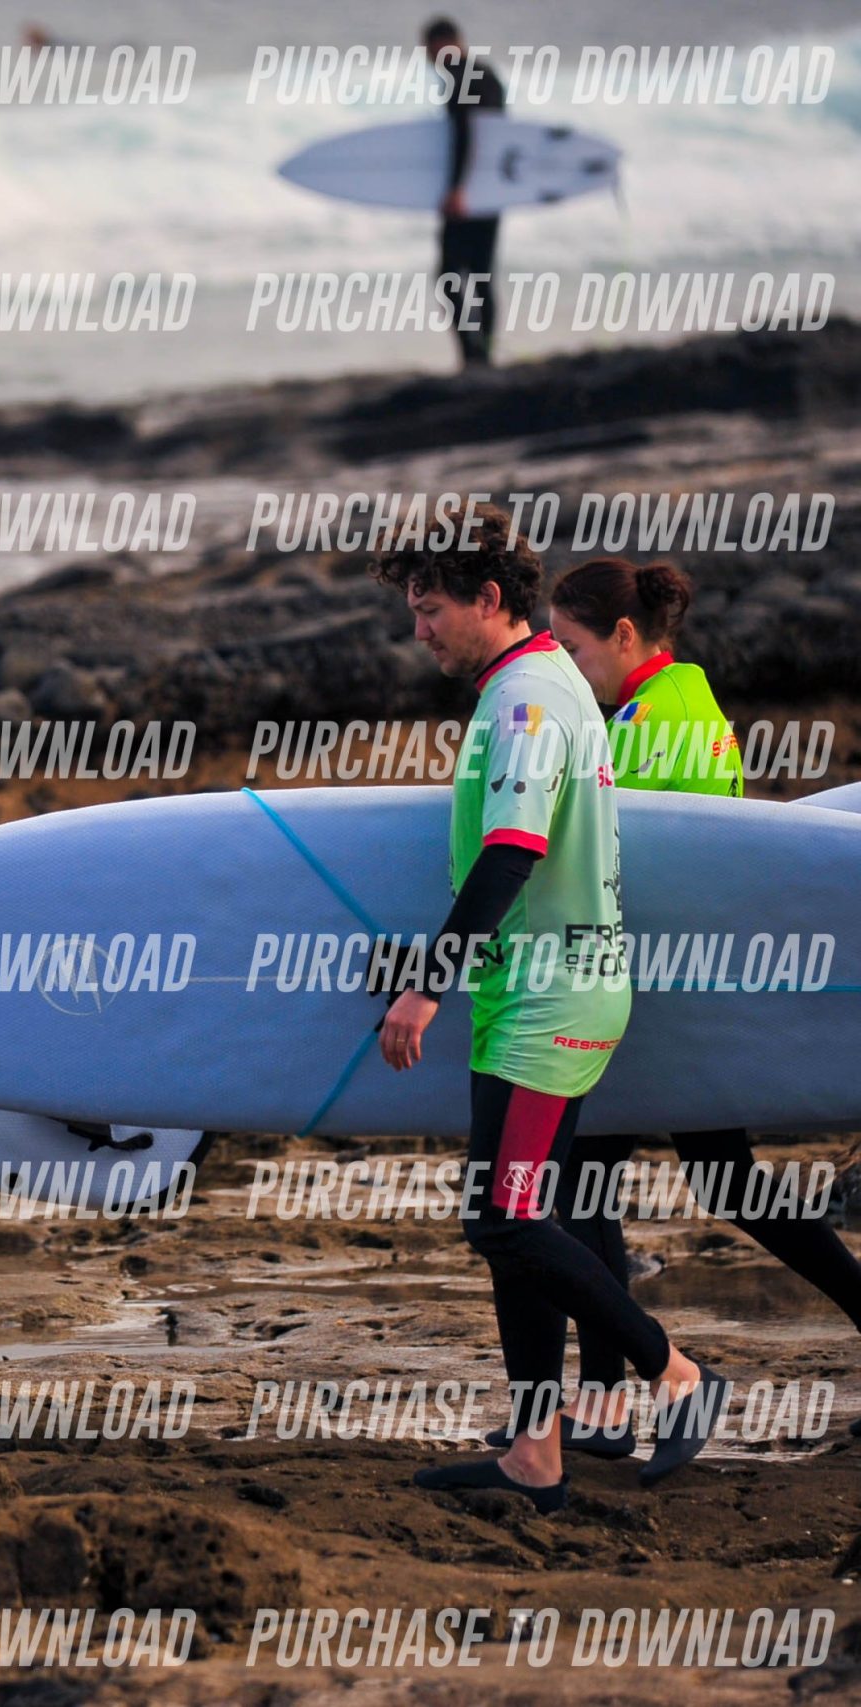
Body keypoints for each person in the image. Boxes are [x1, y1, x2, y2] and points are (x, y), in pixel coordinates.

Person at [370, 508, 725, 1510]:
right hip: (531, 993)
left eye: (430, 610)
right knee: (520, 1218)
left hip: (548, 1002)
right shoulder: (541, 682)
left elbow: (511, 852)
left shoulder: (527, 700)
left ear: (488, 599)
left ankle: (676, 1374)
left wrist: (426, 983)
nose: (419, 632)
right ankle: (536, 1453)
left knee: (505, 1218)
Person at [536, 558, 861, 1447]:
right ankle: (603, 1403)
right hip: (681, 983)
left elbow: (619, 852)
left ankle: (604, 1404)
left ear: (625, 635)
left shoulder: (657, 717)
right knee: (717, 1177)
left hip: (661, 993)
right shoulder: (676, 699)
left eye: (573, 649)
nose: (568, 668)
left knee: (588, 1178)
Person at [422, 17, 507, 367]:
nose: (428, 57)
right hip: (491, 191)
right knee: (481, 275)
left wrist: (458, 188)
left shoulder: (462, 79)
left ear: (444, 43)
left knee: (448, 276)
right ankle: (483, 354)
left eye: (428, 48)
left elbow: (467, 134)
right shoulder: (487, 75)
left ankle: (473, 354)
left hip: (468, 194)